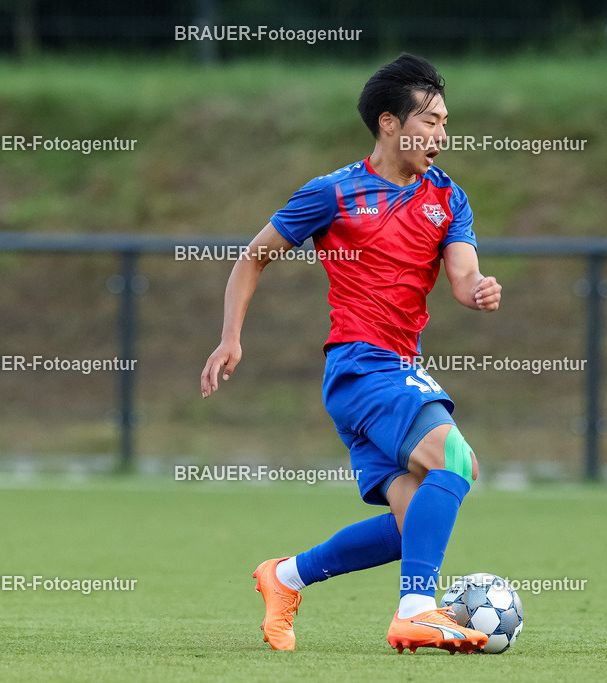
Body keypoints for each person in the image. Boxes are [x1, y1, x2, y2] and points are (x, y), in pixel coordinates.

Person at [200, 53, 502, 654]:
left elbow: (463, 273)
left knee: (407, 526)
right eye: (431, 121)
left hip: (392, 371)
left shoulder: (448, 199)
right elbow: (252, 257)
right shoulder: (333, 192)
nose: (441, 135)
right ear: (389, 122)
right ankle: (416, 611)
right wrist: (231, 336)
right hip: (365, 366)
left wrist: (476, 290)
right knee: (458, 463)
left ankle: (284, 577)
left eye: (446, 122)